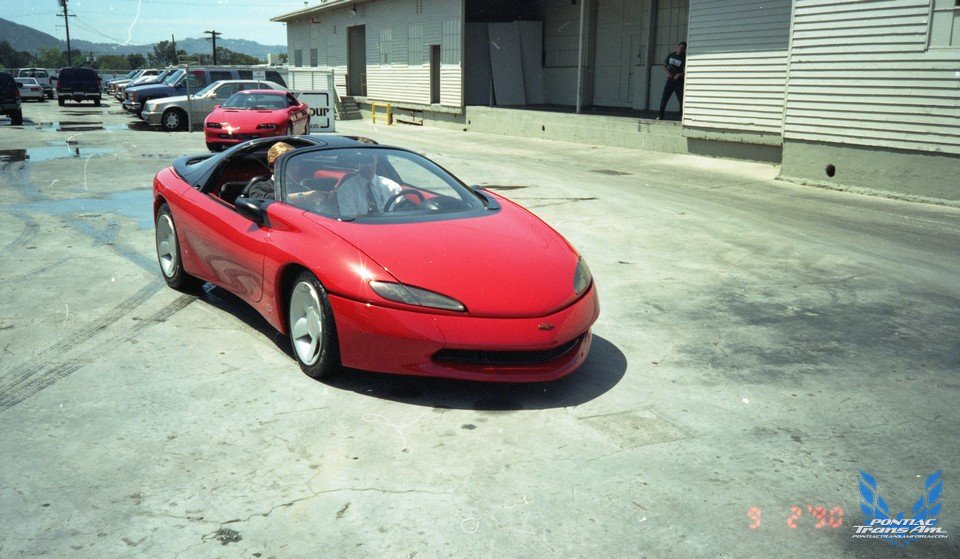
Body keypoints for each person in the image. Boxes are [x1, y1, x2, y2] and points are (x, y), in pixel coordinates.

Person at [336, 152, 402, 217]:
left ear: (376, 160)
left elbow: (402, 214)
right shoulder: (346, 190)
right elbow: (351, 221)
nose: (368, 166)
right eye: (364, 162)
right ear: (357, 164)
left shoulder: (392, 187)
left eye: (371, 160)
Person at [657, 41, 686, 121]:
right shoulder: (671, 55)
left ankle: (681, 115)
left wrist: (679, 74)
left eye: (682, 49)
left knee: (681, 99)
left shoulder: (684, 58)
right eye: (680, 48)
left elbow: (686, 71)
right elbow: (664, 65)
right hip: (670, 80)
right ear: (678, 47)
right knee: (664, 98)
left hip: (678, 81)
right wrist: (667, 73)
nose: (681, 50)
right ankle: (660, 115)